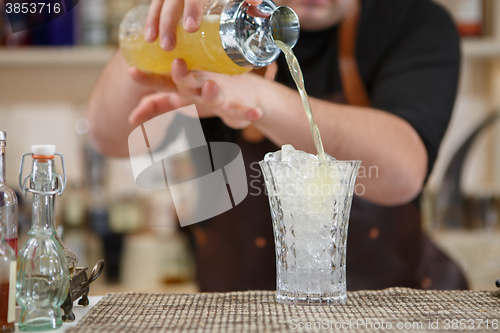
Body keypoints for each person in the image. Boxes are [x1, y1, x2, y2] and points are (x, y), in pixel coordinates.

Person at [87, 0, 468, 291]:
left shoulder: (411, 21)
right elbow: (109, 133)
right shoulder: (218, 30)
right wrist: (166, 25)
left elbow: (401, 170)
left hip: (391, 316)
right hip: (235, 320)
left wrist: (257, 100)